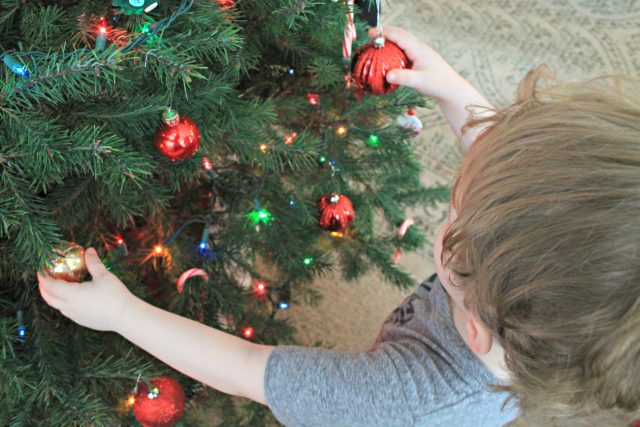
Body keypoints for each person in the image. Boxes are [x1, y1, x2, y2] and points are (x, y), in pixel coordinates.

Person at [38, 26, 640, 426]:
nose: (457, 189)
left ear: (478, 328)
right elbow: (502, 168)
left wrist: (120, 314)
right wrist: (453, 89)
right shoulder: (514, 286)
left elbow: (249, 370)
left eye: (457, 214)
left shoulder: (393, 400)